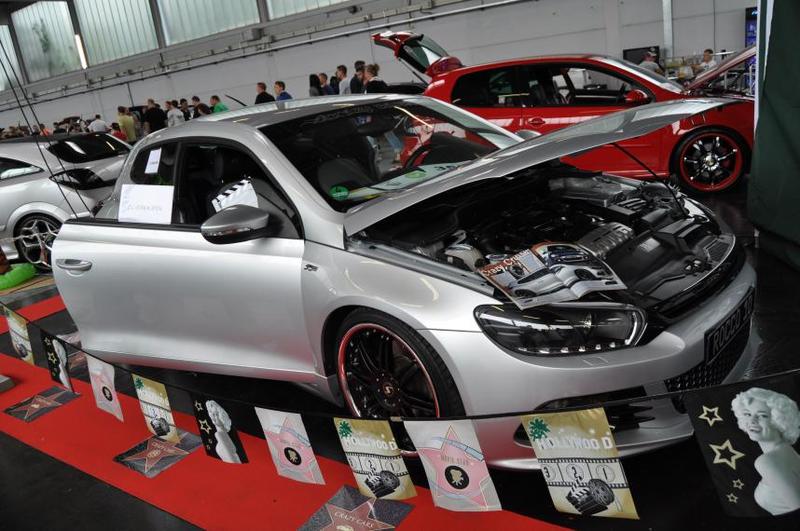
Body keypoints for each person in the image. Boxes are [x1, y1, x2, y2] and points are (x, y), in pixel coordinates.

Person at [731, 387, 800, 515]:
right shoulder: (786, 451)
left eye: (762, 415)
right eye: (747, 414)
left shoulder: (766, 461)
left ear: (779, 421)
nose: (752, 421)